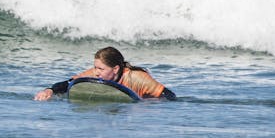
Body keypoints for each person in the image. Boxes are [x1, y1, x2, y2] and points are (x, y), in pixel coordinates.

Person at [34, 46, 175, 100]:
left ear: (115, 69)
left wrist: (147, 105)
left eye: (101, 69)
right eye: (95, 67)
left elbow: (169, 95)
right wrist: (50, 90)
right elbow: (68, 83)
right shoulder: (94, 74)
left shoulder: (137, 77)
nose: (96, 72)